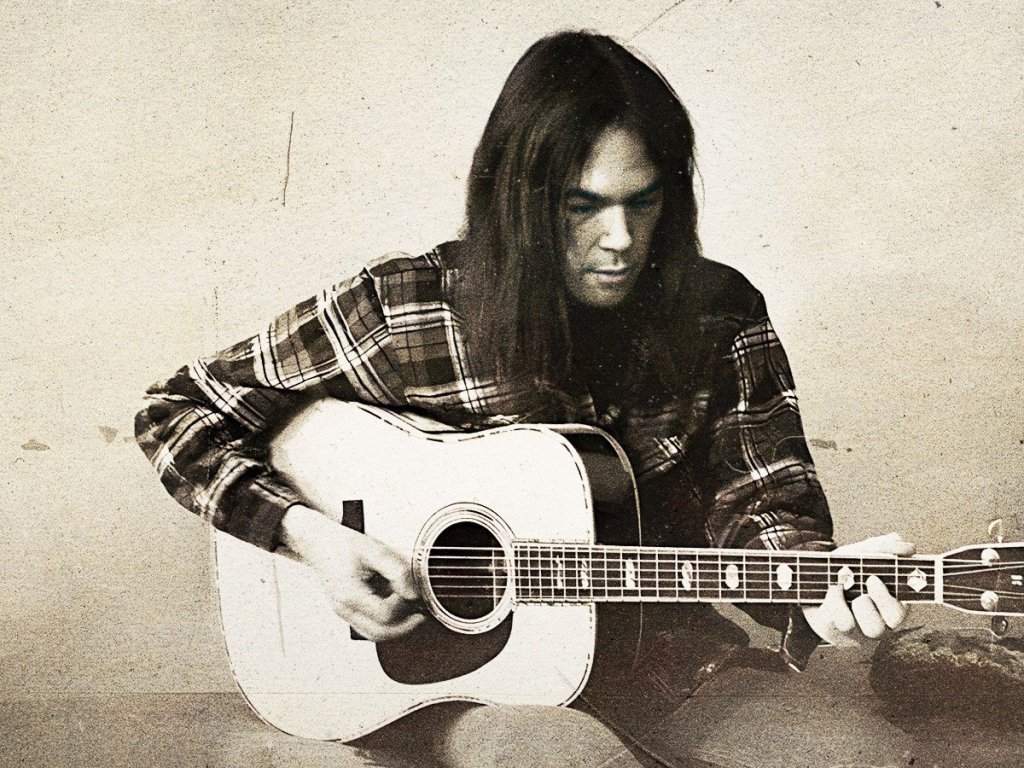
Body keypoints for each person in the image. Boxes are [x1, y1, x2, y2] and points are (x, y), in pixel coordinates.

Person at [136, 31, 915, 768]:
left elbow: (763, 499)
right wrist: (309, 537)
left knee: (869, 758)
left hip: (666, 659)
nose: (620, 238)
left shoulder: (721, 311)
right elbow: (176, 412)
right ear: (516, 199)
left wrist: (818, 590)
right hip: (464, 683)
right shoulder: (405, 308)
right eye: (584, 207)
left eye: (642, 203)